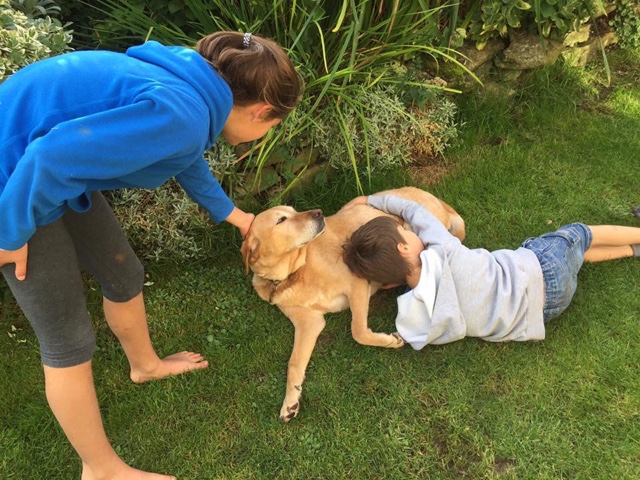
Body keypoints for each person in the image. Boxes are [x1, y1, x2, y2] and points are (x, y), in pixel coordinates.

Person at [0, 31, 303, 480]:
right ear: (261, 111)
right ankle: (101, 470)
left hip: (48, 178)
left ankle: (146, 366)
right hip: (13, 188)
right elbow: (46, 157)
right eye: (271, 126)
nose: (262, 136)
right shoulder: (185, 114)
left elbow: (185, 156)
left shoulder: (194, 92)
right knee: (67, 339)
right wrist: (9, 233)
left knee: (123, 274)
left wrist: (236, 216)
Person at [341, 195, 640, 350]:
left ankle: (633, 250)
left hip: (543, 312)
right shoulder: (444, 250)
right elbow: (414, 211)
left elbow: (408, 323)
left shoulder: (418, 312)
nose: (410, 230)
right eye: (405, 232)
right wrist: (370, 200)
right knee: (578, 234)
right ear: (404, 248)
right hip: (543, 272)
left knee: (576, 256)